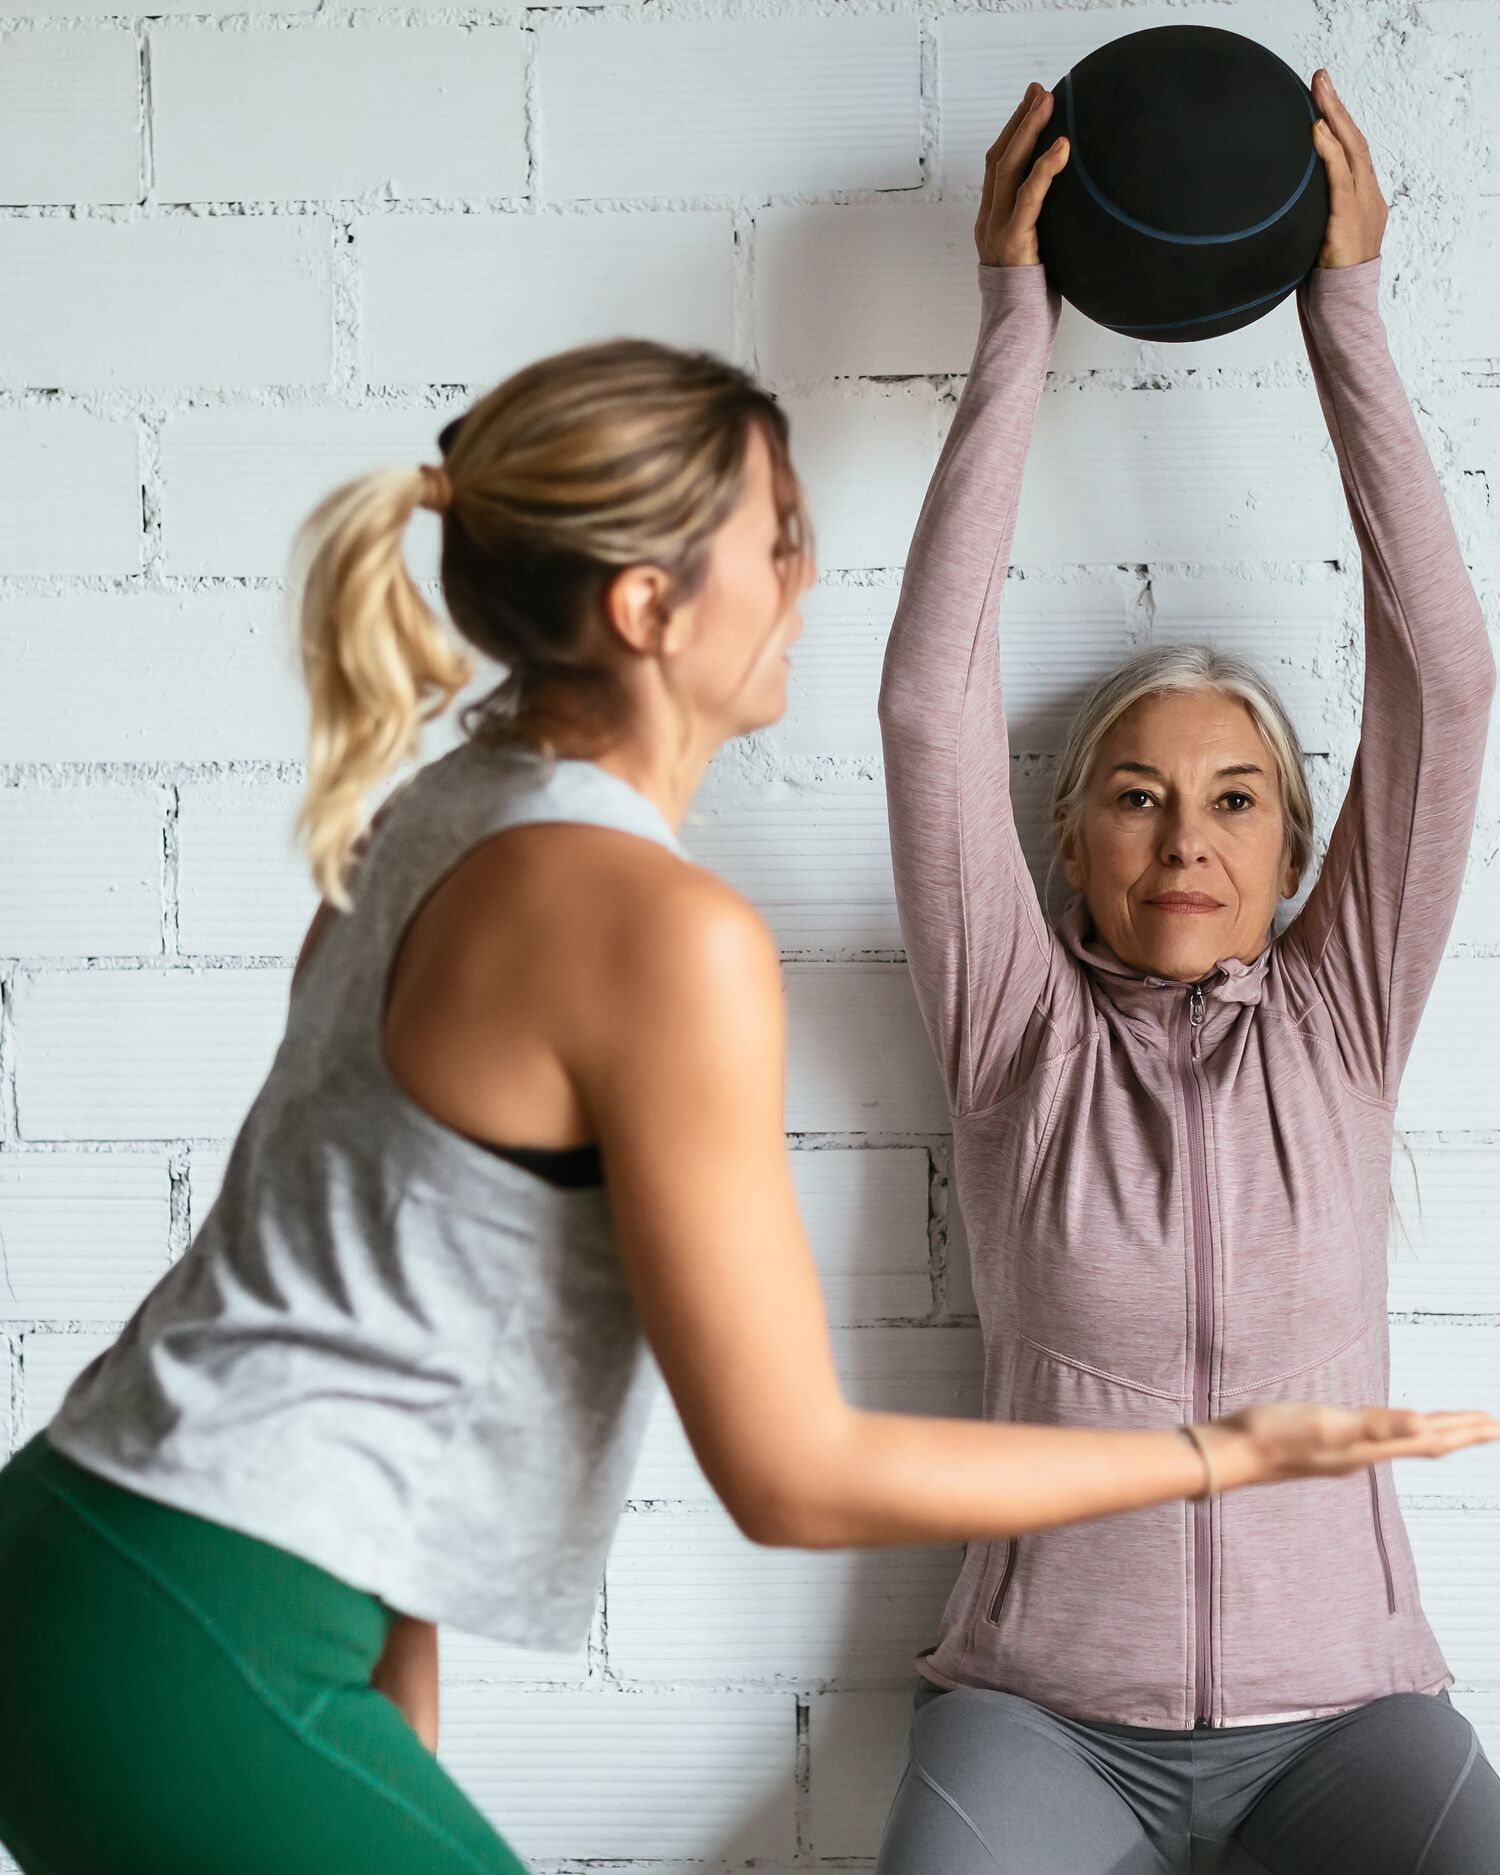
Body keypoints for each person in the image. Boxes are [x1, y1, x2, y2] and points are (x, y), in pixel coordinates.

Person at [0, 75, 1494, 1872]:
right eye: (781, 541)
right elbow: (786, 1468)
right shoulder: (678, 931)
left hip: (131, 1567)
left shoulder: (439, 817)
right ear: (649, 609)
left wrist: (401, 1720)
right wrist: (1215, 1456)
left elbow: (359, 1296)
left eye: (1239, 800)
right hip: (185, 1616)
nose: (807, 578)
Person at [871, 71, 1500, 1875]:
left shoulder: (1346, 1016)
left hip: (1353, 1720)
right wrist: (1018, 322)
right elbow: (928, 709)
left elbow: (1446, 688)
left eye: (1235, 800)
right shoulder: (1016, 1042)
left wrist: (1346, 312)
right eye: (1134, 800)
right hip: (1042, 1718)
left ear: (1298, 856)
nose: (1184, 840)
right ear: (1069, 848)